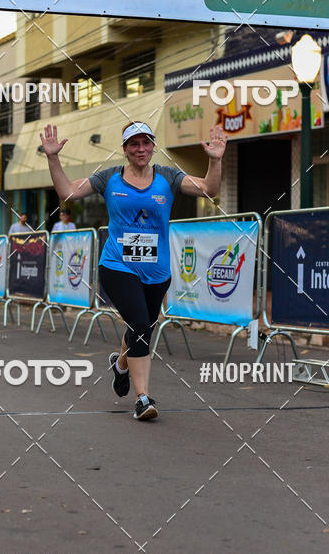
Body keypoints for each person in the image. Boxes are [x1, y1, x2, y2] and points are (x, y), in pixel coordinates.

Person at [40, 120, 227, 421]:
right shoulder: (109, 178)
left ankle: (121, 365)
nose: (141, 149)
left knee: (142, 327)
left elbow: (209, 189)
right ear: (125, 149)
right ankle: (142, 399)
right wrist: (52, 157)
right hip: (117, 265)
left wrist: (215, 161)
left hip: (157, 272)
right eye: (134, 144)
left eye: (146, 143)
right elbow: (68, 193)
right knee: (140, 322)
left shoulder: (168, 177)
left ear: (153, 146)